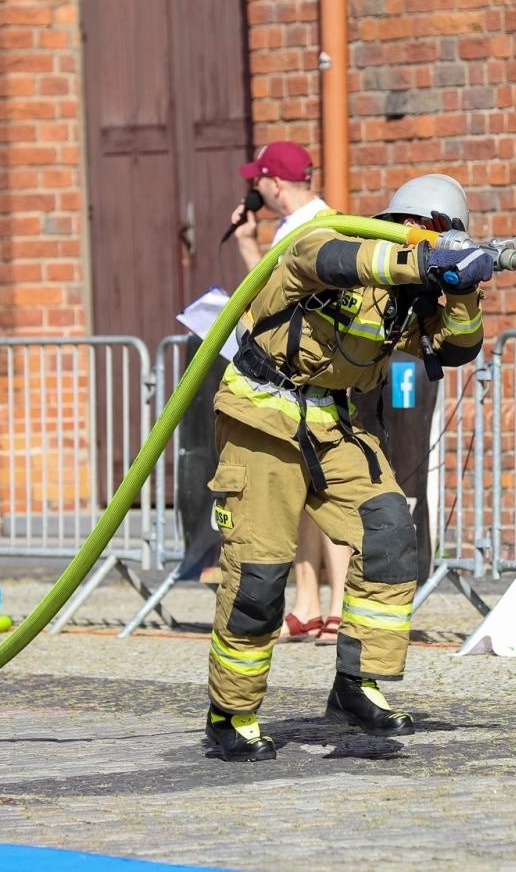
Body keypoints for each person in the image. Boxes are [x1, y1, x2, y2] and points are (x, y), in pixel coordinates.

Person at [203, 173, 493, 762]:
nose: (431, 241)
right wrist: (423, 260)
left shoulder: (408, 297)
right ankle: (230, 713)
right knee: (259, 575)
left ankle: (356, 684)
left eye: (443, 235)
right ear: (401, 223)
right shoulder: (330, 239)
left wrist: (463, 290)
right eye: (426, 230)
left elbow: (456, 348)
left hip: (333, 424)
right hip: (262, 417)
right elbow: (329, 260)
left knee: (389, 533)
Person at [227, 141, 347, 646]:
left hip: (320, 379)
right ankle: (308, 605)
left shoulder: (316, 229)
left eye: (257, 180)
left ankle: (339, 608)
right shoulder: (290, 227)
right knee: (299, 493)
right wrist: (249, 243)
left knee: (328, 492)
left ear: (274, 184)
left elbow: (271, 306)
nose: (254, 187)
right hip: (291, 379)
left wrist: (247, 248)